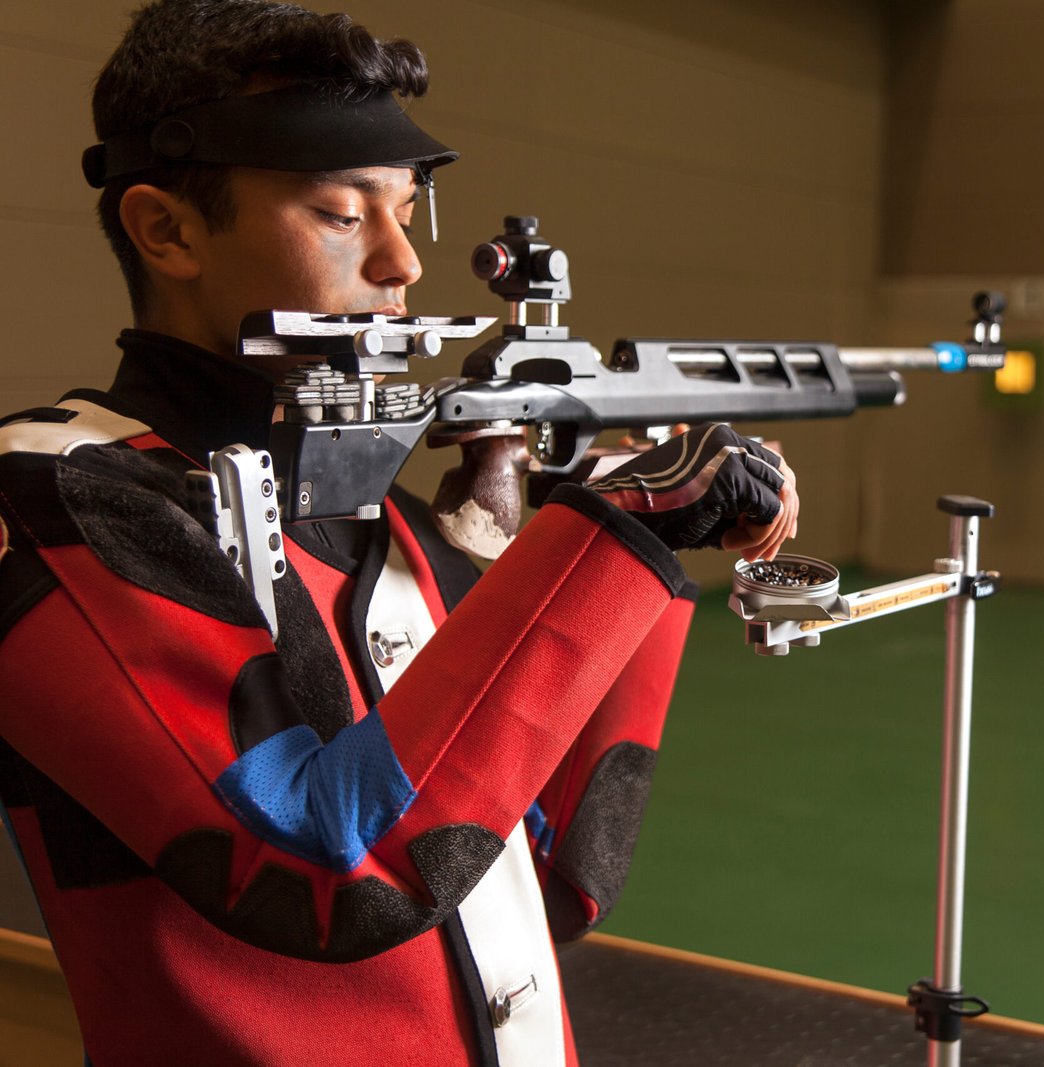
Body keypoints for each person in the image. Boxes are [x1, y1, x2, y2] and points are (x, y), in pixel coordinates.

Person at [0, 1, 798, 1064]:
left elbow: (551, 866)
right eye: (342, 213)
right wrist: (617, 528)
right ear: (167, 231)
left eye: (408, 211)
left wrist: (592, 548)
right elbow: (323, 873)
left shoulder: (388, 524)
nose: (402, 263)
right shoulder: (59, 494)